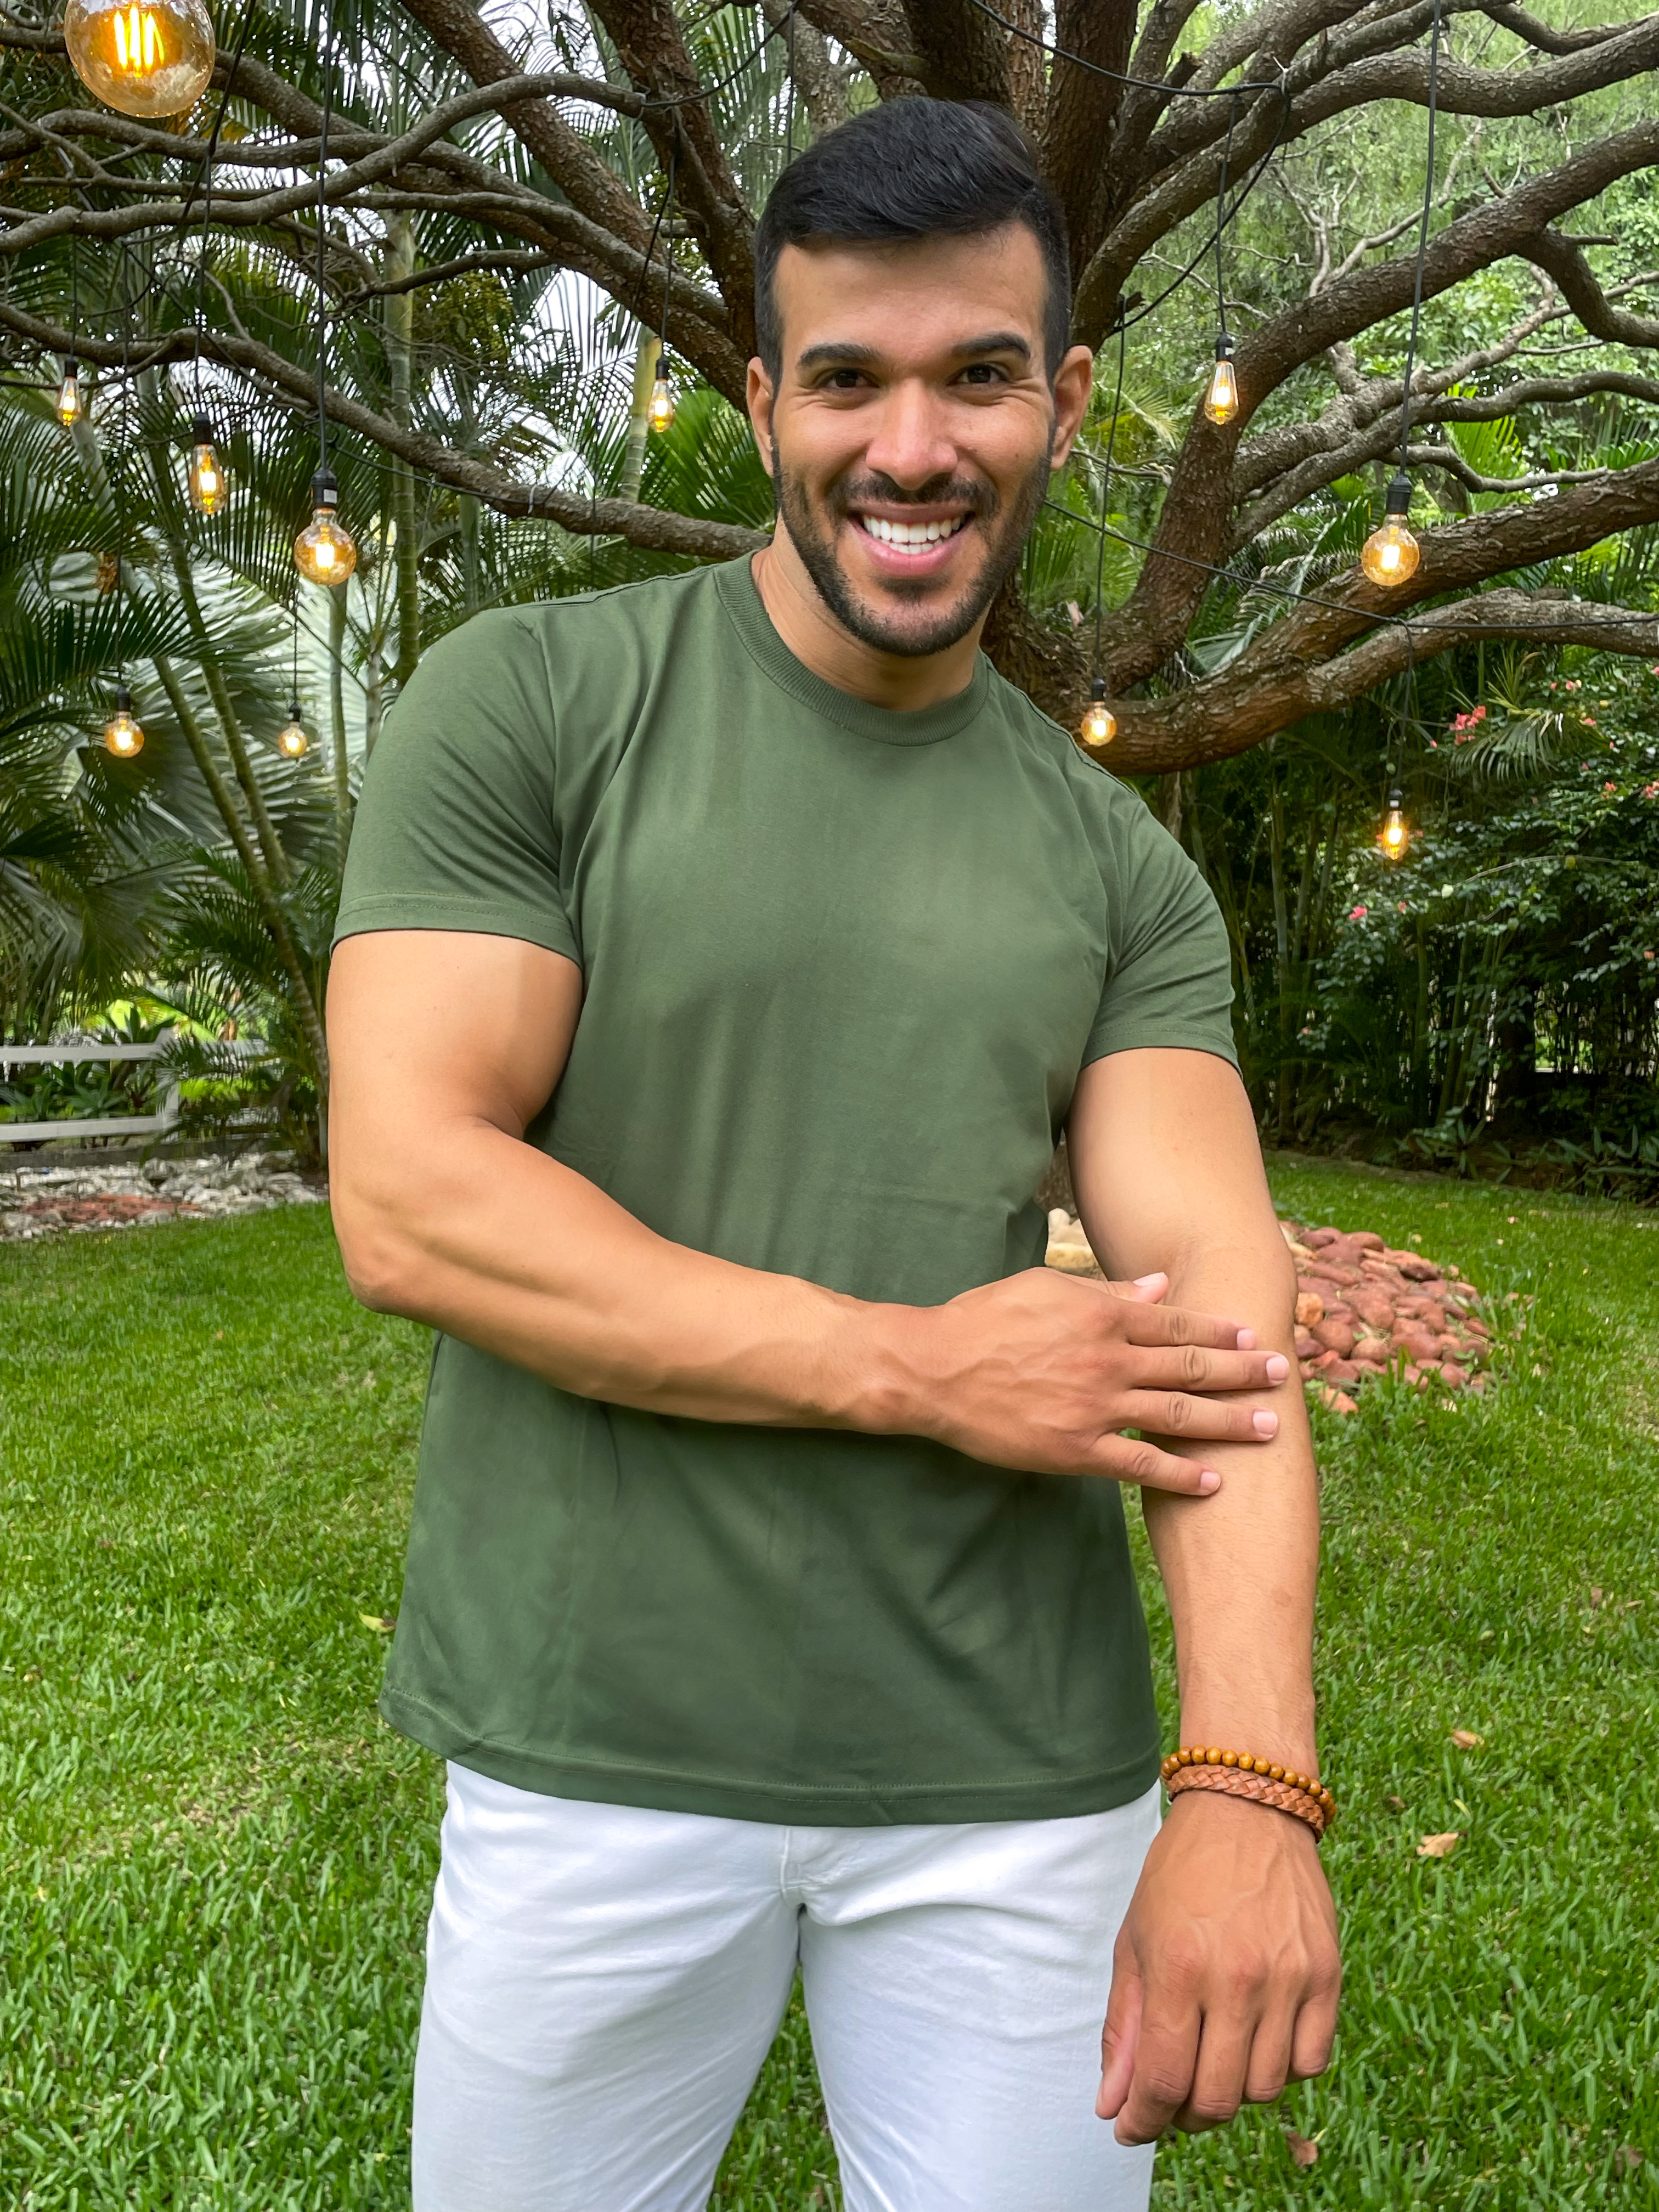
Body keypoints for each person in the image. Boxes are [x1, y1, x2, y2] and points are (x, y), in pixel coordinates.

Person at [328, 95, 1340, 2212]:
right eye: (850, 379)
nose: (912, 448)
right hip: (587, 1746)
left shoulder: (1120, 874)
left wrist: (1248, 1786)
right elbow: (416, 1193)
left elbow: (1226, 1335)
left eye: (977, 375)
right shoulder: (534, 705)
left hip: (1014, 1796)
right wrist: (915, 1365)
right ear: (758, 393)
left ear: (1063, 399)